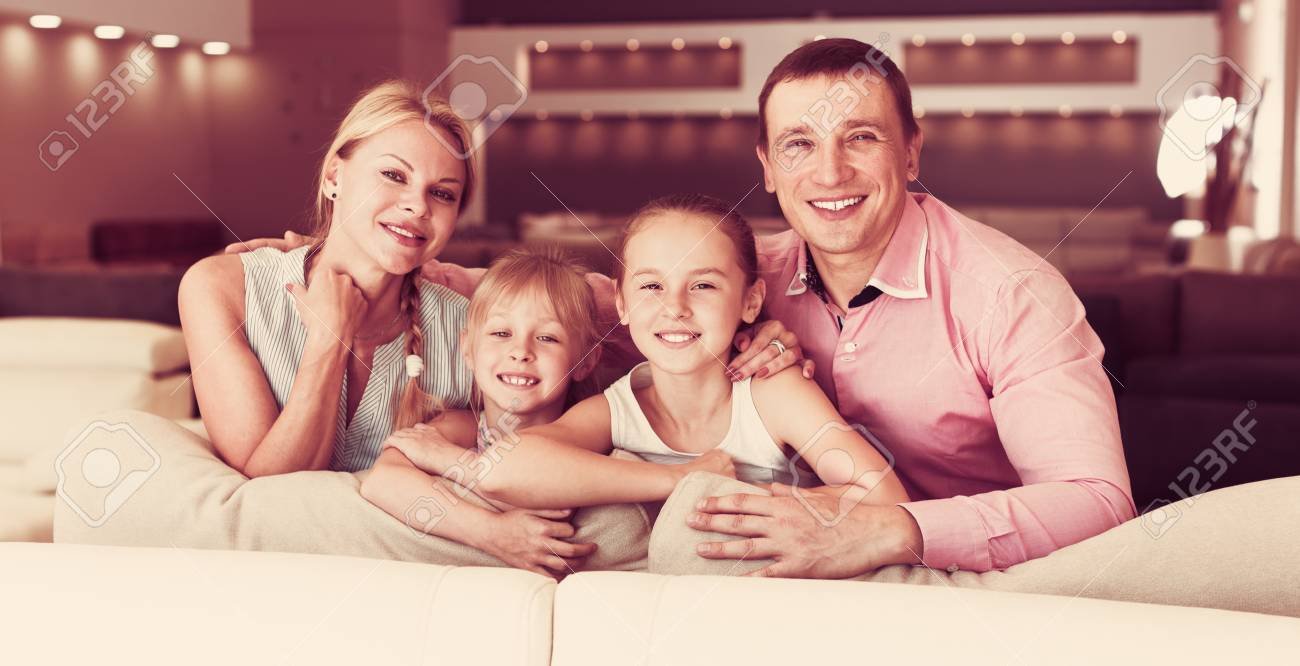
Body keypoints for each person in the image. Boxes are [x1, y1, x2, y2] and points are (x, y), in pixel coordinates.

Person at [381, 194, 909, 519]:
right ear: (624, 302)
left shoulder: (773, 390)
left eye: (702, 285)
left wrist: (755, 496)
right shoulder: (621, 407)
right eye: (652, 286)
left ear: (749, 301)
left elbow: (884, 493)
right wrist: (681, 481)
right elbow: (510, 462)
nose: (675, 307)